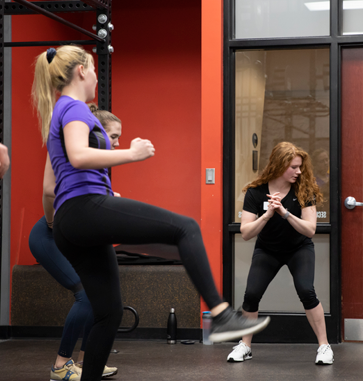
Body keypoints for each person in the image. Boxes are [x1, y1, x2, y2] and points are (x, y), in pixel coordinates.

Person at [31, 45, 270, 381]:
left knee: (109, 313)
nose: (97, 75)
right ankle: (221, 314)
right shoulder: (76, 109)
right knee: (186, 227)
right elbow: (79, 157)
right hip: (84, 208)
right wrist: (132, 153)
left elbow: (47, 188)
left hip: (71, 221)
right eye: (95, 68)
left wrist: (60, 227)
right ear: (81, 70)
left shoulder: (58, 111)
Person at [29, 107, 123, 381]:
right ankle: (60, 365)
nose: (117, 143)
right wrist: (49, 222)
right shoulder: (72, 156)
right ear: (99, 135)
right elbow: (48, 191)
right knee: (84, 293)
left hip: (69, 235)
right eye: (114, 136)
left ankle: (85, 361)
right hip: (47, 235)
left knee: (98, 295)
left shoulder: (97, 167)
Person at [226, 142, 334, 365]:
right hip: (268, 249)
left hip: (299, 248)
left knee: (306, 290)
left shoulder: (305, 190)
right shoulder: (256, 192)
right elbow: (246, 233)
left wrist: (284, 213)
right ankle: (245, 346)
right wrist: (266, 215)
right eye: (294, 167)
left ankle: (324, 347)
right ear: (279, 165)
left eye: (300, 167)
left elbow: (310, 230)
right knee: (251, 294)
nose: (299, 171)